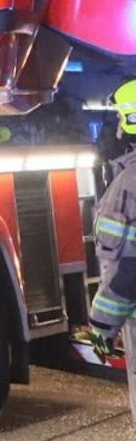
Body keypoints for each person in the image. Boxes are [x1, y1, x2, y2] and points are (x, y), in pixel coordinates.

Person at [86, 80, 136, 367]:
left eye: (119, 117)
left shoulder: (129, 183)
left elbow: (128, 268)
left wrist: (102, 326)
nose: (115, 127)